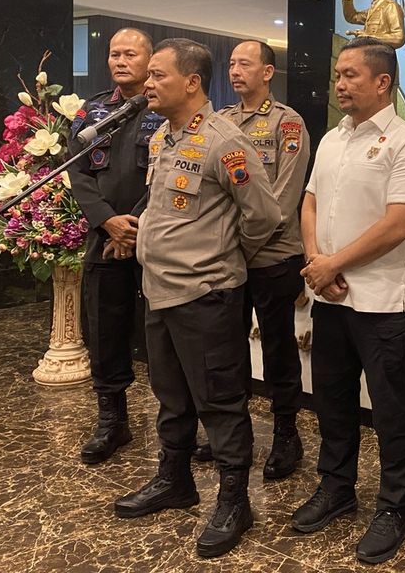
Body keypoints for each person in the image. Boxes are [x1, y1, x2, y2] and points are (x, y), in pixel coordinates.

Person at [113, 39, 280, 559]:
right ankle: (175, 479)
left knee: (221, 402)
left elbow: (265, 217)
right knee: (171, 396)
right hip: (160, 291)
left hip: (206, 295)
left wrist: (218, 256)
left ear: (191, 82)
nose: (147, 84)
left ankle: (234, 500)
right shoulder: (164, 135)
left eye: (158, 75)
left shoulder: (224, 143)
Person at [292, 37, 405, 565]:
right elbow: (308, 203)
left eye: (351, 74)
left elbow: (400, 223)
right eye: (338, 74)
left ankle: (395, 505)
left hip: (380, 302)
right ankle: (337, 488)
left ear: (383, 82)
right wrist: (315, 261)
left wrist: (334, 264)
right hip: (330, 295)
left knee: (391, 409)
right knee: (331, 399)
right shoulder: (332, 138)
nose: (340, 83)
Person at [195, 40, 309, 480]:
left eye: (245, 63)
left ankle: (286, 434)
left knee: (279, 349)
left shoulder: (288, 123)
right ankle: (233, 432)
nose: (234, 71)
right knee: (229, 347)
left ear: (268, 72)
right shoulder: (220, 122)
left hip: (274, 256)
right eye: (231, 64)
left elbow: (281, 198)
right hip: (231, 257)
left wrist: (244, 241)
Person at [68, 27, 164, 465]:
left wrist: (134, 226)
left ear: (150, 60)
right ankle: (113, 421)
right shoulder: (91, 115)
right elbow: (78, 173)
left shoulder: (165, 110)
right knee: (104, 331)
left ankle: (177, 424)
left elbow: (169, 174)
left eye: (130, 54)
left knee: (163, 335)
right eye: (113, 54)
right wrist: (108, 222)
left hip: (156, 239)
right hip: (104, 239)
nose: (120, 61)